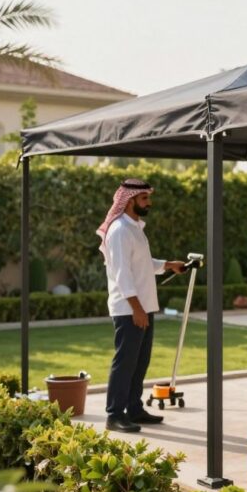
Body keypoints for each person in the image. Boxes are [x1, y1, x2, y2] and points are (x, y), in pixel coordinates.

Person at [97, 179, 185, 433]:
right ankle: (114, 415)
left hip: (144, 306)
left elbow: (143, 264)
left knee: (140, 361)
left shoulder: (135, 227)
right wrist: (136, 308)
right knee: (125, 361)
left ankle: (134, 409)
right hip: (129, 309)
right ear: (130, 199)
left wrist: (168, 264)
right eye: (145, 198)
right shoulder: (120, 230)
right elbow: (123, 273)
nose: (149, 203)